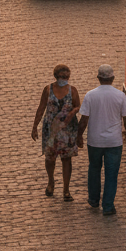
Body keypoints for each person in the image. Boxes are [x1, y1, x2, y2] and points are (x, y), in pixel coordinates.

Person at [75, 64, 126, 215]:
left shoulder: (90, 95)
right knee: (111, 174)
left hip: (95, 141)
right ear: (112, 78)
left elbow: (83, 120)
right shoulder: (120, 96)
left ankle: (93, 200)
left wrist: (79, 135)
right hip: (114, 141)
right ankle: (107, 206)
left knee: (94, 169)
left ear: (98, 78)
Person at [31, 64, 80, 201]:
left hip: (67, 129)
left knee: (66, 159)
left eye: (66, 76)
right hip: (51, 129)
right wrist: (35, 126)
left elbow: (77, 105)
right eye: (62, 76)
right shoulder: (48, 90)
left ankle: (66, 189)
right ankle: (51, 181)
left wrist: (72, 112)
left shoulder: (73, 90)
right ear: (56, 76)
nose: (64, 79)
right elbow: (41, 107)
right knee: (50, 158)